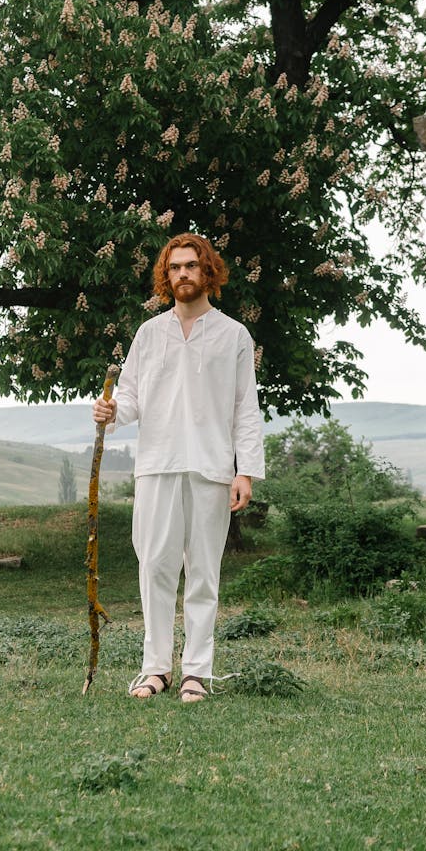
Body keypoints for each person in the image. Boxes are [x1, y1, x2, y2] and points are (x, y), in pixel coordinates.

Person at [93, 233, 265, 703]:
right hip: (157, 465)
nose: (183, 274)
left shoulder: (233, 334)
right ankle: (155, 669)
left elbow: (244, 408)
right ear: (165, 277)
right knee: (154, 568)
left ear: (207, 271)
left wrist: (244, 469)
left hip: (211, 467)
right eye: (174, 268)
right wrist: (113, 411)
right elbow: (130, 395)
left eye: (191, 266)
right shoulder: (150, 334)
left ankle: (195, 672)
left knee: (204, 574)